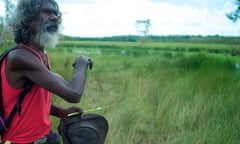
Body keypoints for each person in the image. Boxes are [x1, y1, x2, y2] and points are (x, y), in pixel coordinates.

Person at [1, 0, 93, 143]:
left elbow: (30, 101)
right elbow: (73, 93)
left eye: (55, 13)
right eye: (47, 12)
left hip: (46, 137)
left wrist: (60, 112)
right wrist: (81, 64)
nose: (54, 17)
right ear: (28, 19)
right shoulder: (20, 57)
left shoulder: (40, 55)